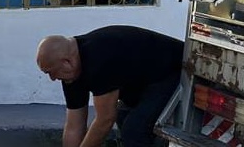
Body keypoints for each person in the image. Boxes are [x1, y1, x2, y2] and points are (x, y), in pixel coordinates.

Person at [36, 25, 183, 147]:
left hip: (174, 71)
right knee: (123, 116)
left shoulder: (97, 59)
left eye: (51, 72)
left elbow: (105, 120)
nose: (52, 79)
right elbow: (74, 126)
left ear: (67, 62)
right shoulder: (70, 70)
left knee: (134, 130)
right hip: (142, 82)